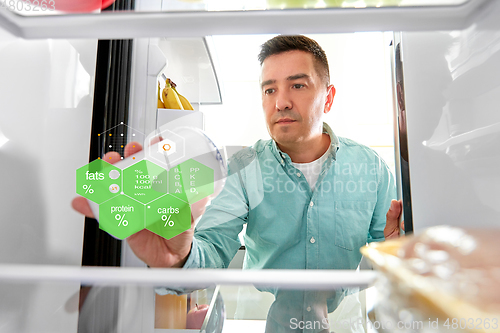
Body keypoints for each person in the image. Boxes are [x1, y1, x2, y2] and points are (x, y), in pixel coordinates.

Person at [73, 35, 402, 332]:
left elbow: (384, 259)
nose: (281, 102)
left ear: (328, 98)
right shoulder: (245, 168)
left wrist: (399, 254)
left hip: (346, 325)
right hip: (265, 322)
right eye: (269, 89)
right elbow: (212, 249)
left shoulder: (370, 168)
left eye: (297, 86)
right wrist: (176, 260)